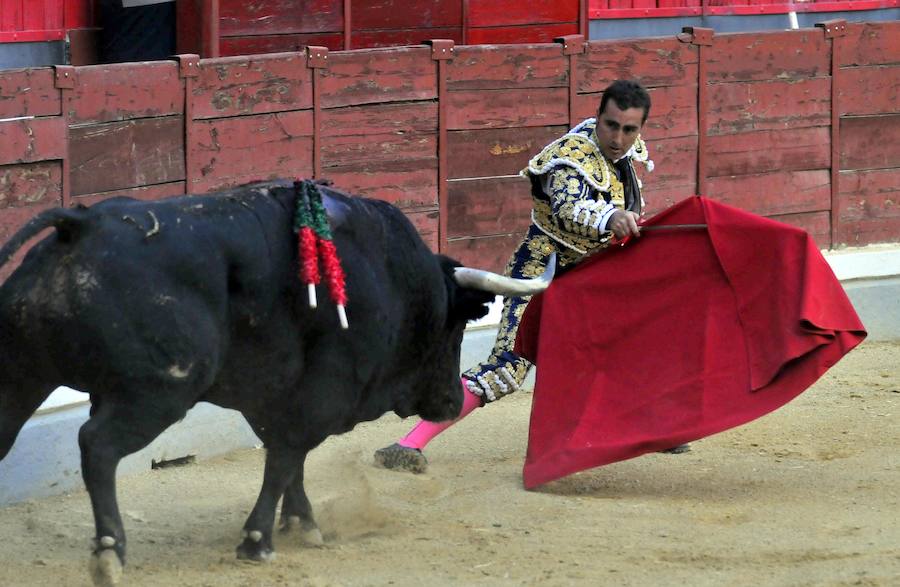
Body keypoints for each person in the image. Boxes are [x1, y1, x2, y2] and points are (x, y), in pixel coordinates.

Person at [374, 79, 688, 474]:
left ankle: (658, 427)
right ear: (597, 117)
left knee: (635, 339)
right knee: (509, 366)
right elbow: (570, 206)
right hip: (541, 274)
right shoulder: (568, 160)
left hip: (589, 274)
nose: (619, 138)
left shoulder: (626, 154)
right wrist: (611, 217)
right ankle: (408, 444)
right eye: (611, 126)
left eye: (629, 130)